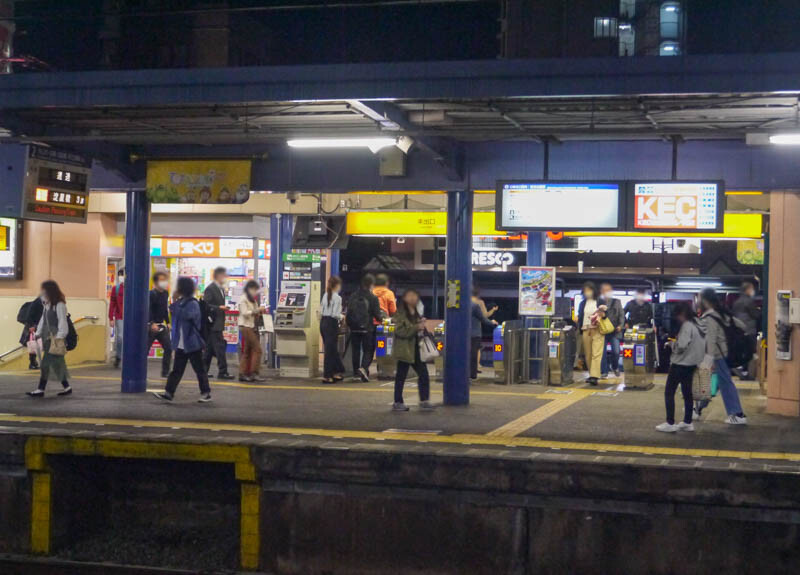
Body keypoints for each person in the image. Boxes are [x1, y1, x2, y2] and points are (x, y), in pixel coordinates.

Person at [153, 277, 212, 403]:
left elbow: (187, 316)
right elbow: (173, 311)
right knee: (177, 370)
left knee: (199, 369)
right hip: (181, 343)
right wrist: (175, 301)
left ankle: (206, 393)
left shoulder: (192, 303)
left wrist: (176, 303)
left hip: (192, 343)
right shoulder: (182, 302)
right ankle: (169, 393)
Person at [698, 288, 747, 425]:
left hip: (718, 355)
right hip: (727, 353)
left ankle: (737, 414)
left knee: (725, 384)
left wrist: (707, 361)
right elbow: (742, 325)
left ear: (705, 301)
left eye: (700, 298)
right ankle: (698, 409)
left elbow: (711, 340)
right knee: (716, 383)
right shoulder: (723, 314)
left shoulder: (710, 317)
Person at [656, 302, 705, 433]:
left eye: (678, 315)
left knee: (669, 392)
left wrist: (671, 345)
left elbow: (682, 345)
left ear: (682, 314)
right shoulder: (698, 324)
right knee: (687, 393)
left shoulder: (687, 325)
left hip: (681, 363)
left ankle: (670, 422)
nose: (677, 318)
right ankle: (687, 422)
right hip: (692, 363)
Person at [391, 288, 434, 411]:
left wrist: (422, 325)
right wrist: (416, 327)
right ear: (404, 298)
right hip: (405, 349)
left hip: (416, 348)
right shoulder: (400, 313)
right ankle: (398, 401)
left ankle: (424, 400)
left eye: (415, 296)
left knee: (424, 374)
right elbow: (399, 331)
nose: (413, 298)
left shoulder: (416, 312)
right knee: (401, 375)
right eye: (410, 296)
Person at [27, 281, 72, 397]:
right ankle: (67, 387)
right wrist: (38, 333)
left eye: (44, 290)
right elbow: (43, 320)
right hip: (48, 338)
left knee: (46, 364)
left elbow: (63, 322)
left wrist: (59, 337)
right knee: (57, 364)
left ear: (50, 291)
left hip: (55, 339)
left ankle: (40, 389)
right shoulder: (47, 304)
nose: (42, 292)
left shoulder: (59, 305)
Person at [346, 273, 383, 382]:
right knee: (369, 349)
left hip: (354, 327)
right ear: (371, 284)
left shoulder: (353, 295)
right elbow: (377, 315)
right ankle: (364, 367)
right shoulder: (372, 297)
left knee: (356, 350)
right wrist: (383, 319)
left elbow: (349, 311)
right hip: (367, 328)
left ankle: (355, 373)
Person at [203, 267, 234, 380]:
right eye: (224, 276)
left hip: (217, 324)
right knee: (220, 348)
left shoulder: (221, 289)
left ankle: (203, 371)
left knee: (209, 349)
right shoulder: (210, 289)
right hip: (213, 324)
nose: (225, 278)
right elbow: (205, 305)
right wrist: (219, 307)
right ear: (218, 276)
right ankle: (223, 372)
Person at [577, 281, 606, 386]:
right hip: (585, 330)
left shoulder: (600, 301)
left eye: (589, 290)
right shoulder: (582, 303)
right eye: (585, 291)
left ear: (594, 290)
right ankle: (591, 374)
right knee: (588, 354)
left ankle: (594, 376)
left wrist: (603, 314)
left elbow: (606, 314)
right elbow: (580, 316)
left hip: (597, 330)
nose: (587, 292)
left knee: (596, 353)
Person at [731, 280, 760, 379]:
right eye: (752, 289)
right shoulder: (749, 301)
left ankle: (740, 369)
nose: (753, 291)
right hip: (749, 330)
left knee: (741, 351)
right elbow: (756, 315)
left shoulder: (736, 302)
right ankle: (744, 371)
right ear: (747, 290)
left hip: (739, 331)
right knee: (750, 352)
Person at [238, 279, 265, 383]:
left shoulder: (252, 300)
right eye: (254, 290)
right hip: (246, 327)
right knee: (258, 349)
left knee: (247, 351)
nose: (255, 292)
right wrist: (258, 310)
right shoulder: (243, 298)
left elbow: (254, 312)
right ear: (249, 289)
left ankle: (243, 374)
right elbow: (244, 313)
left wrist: (259, 311)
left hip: (251, 326)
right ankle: (254, 373)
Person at [320, 276, 346, 384]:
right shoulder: (338, 298)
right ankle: (328, 376)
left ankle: (336, 372)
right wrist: (342, 317)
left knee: (331, 349)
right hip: (331, 324)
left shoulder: (325, 295)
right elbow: (335, 314)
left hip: (323, 323)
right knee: (330, 351)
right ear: (337, 285)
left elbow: (321, 311)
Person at [147, 271, 172, 378]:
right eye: (161, 280)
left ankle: (165, 372)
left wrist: (168, 322)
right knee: (145, 349)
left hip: (161, 325)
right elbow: (148, 310)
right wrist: (151, 323)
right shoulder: (151, 294)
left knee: (168, 348)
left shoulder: (165, 293)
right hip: (151, 326)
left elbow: (164, 309)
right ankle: (141, 370)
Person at [471, 287, 498, 380]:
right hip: (475, 331)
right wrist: (493, 311)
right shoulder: (478, 303)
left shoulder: (463, 302)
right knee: (476, 350)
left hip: (464, 332)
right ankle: (474, 369)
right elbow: (484, 316)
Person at [599, 282, 623, 378]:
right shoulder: (598, 302)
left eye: (608, 290)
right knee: (602, 352)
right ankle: (604, 371)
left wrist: (621, 325)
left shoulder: (617, 301)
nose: (606, 292)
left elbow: (621, 314)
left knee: (616, 351)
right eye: (605, 290)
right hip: (602, 331)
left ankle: (615, 367)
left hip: (615, 331)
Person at [18, 295, 44, 370]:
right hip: (32, 326)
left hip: (37, 326)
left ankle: (34, 363)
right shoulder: (38, 302)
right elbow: (30, 314)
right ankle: (32, 363)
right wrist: (32, 326)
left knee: (37, 345)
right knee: (33, 344)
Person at [108, 267, 124, 368]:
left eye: (123, 275)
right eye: (120, 275)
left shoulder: (134, 288)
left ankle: (129, 357)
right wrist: (111, 318)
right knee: (120, 337)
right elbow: (112, 303)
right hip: (120, 316)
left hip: (132, 318)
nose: (122, 277)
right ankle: (118, 356)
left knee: (130, 338)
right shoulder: (116, 288)